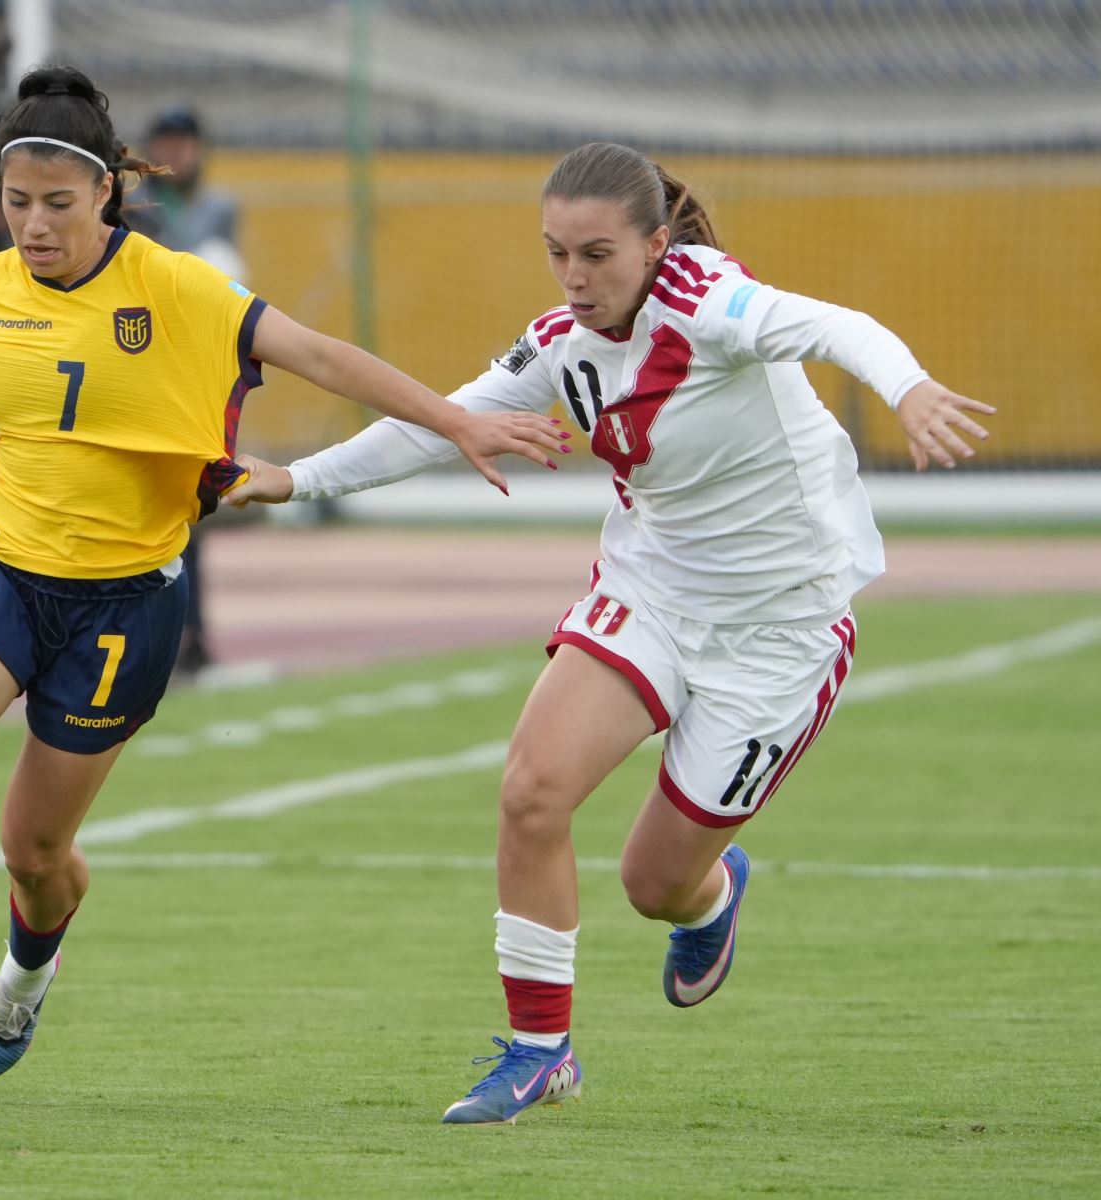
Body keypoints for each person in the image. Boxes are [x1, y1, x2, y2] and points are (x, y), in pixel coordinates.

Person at [0, 64, 567, 1096]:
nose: (32, 226)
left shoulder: (175, 287)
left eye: (56, 205)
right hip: (1, 573)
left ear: (106, 195)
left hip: (126, 604)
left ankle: (23, 987)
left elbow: (319, 353)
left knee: (33, 852)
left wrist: (459, 421)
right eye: (16, 202)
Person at [226, 141, 995, 1125]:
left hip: (779, 627)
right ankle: (542, 1051)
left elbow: (840, 327)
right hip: (651, 593)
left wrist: (912, 389)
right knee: (531, 791)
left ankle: (709, 898)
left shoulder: (712, 304)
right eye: (557, 255)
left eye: (598, 255)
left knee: (652, 883)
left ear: (656, 243)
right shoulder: (559, 342)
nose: (576, 279)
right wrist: (294, 481)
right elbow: (440, 420)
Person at [133, 105, 244, 674]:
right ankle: (166, 636)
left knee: (188, 514)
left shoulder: (218, 208)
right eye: (164, 144)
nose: (174, 156)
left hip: (195, 377)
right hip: (143, 372)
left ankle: (190, 634)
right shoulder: (132, 209)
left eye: (183, 144)